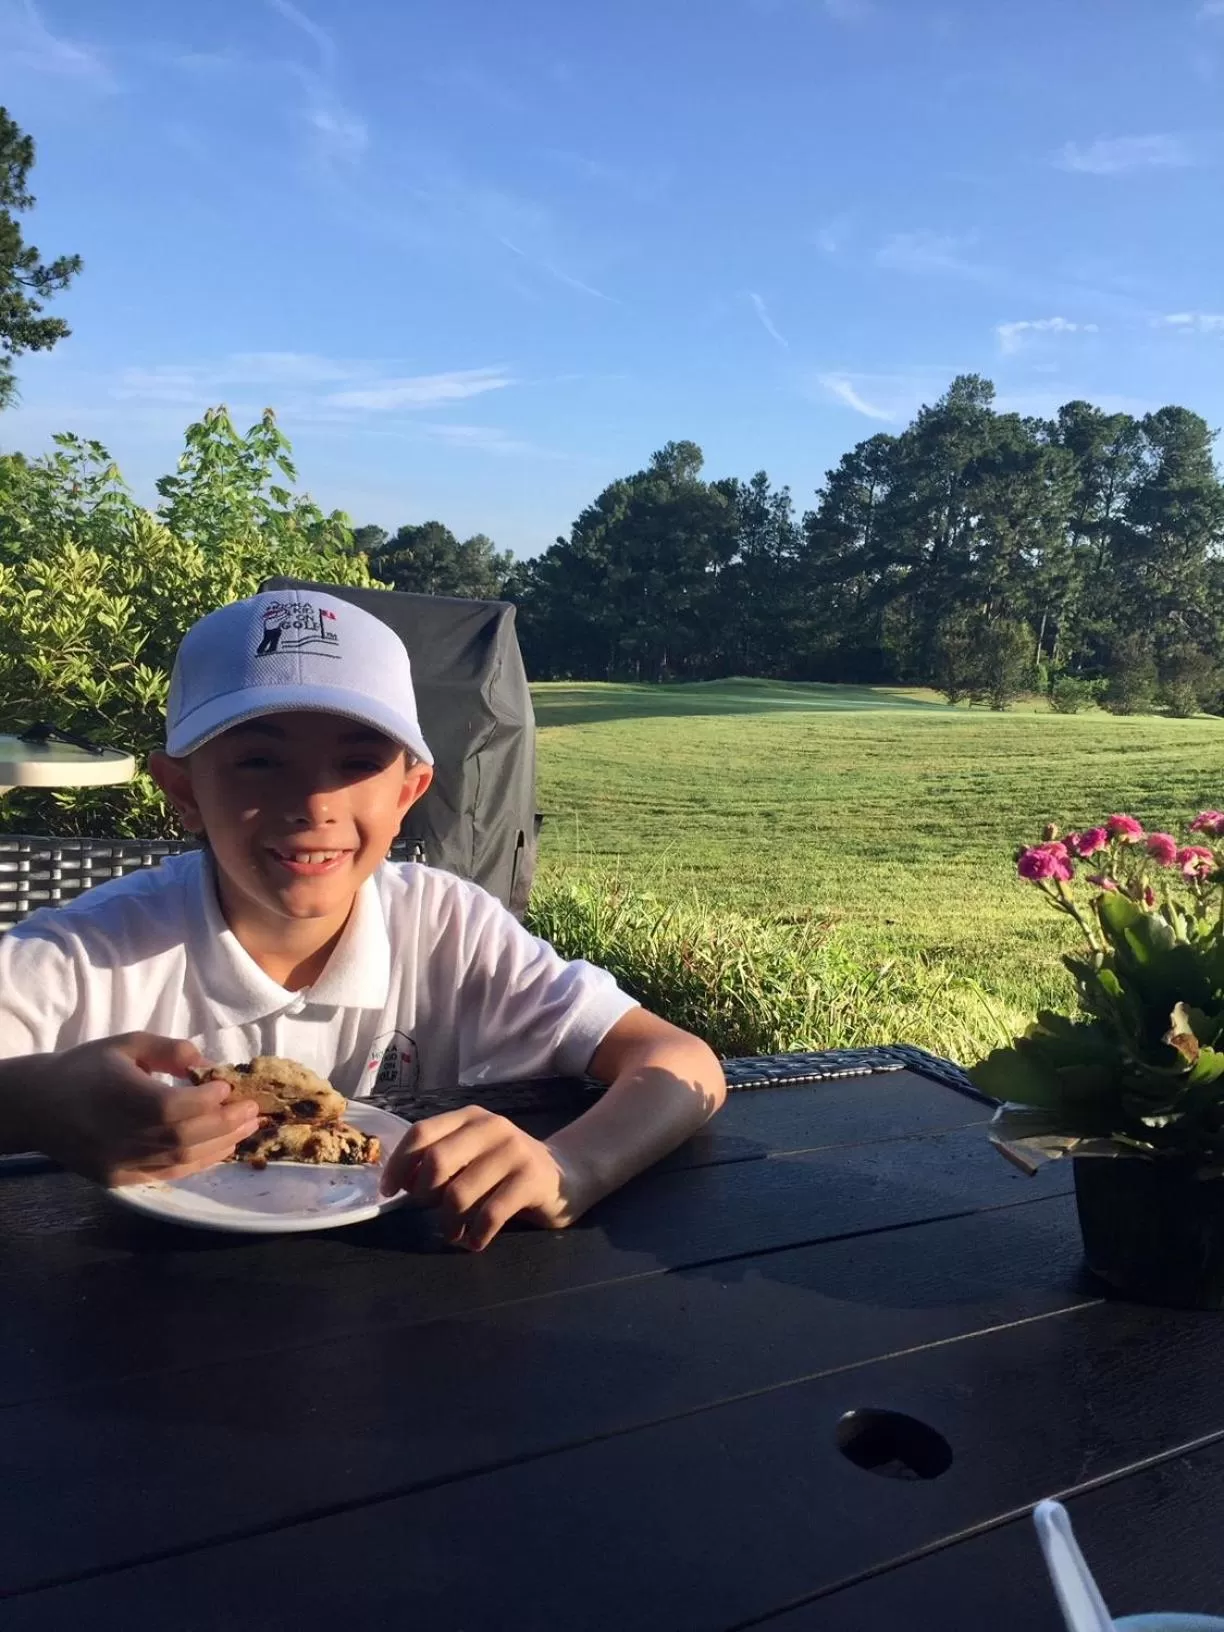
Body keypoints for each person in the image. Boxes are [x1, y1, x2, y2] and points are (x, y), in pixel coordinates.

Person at [0, 590, 725, 1250]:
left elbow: (682, 1064)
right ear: (182, 792)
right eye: (259, 761)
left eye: (357, 761)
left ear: (410, 791)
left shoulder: (448, 926)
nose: (315, 805)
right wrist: (32, 1103)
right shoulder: (92, 953)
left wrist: (570, 1165)